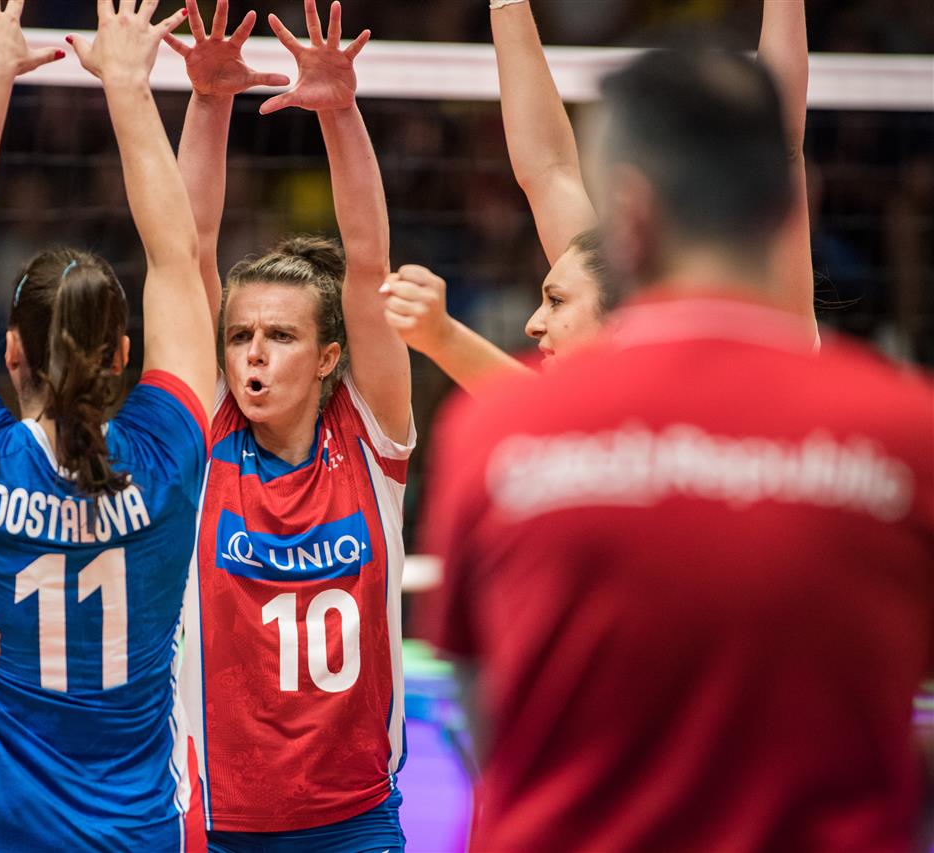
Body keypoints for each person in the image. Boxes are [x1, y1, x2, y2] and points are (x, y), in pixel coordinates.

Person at [422, 46, 934, 852]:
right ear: (792, 204)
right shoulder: (902, 432)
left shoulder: (497, 434)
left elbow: (489, 718)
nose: (537, 322)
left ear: (629, 215)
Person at [0, 2, 215, 850]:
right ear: (123, 354)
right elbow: (179, 259)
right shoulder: (169, 457)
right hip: (142, 830)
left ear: (10, 351)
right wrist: (128, 85)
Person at [168, 2, 413, 849]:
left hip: (356, 822)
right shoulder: (207, 433)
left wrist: (340, 112)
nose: (253, 355)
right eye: (240, 335)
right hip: (219, 822)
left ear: (328, 357)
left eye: (279, 336)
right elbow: (187, 250)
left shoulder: (369, 436)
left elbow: (369, 261)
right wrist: (209, 101)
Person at [383, 0, 817, 389]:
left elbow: (783, 146)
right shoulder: (595, 412)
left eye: (557, 301)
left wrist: (443, 337)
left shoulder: (765, 346)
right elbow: (547, 171)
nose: (532, 325)